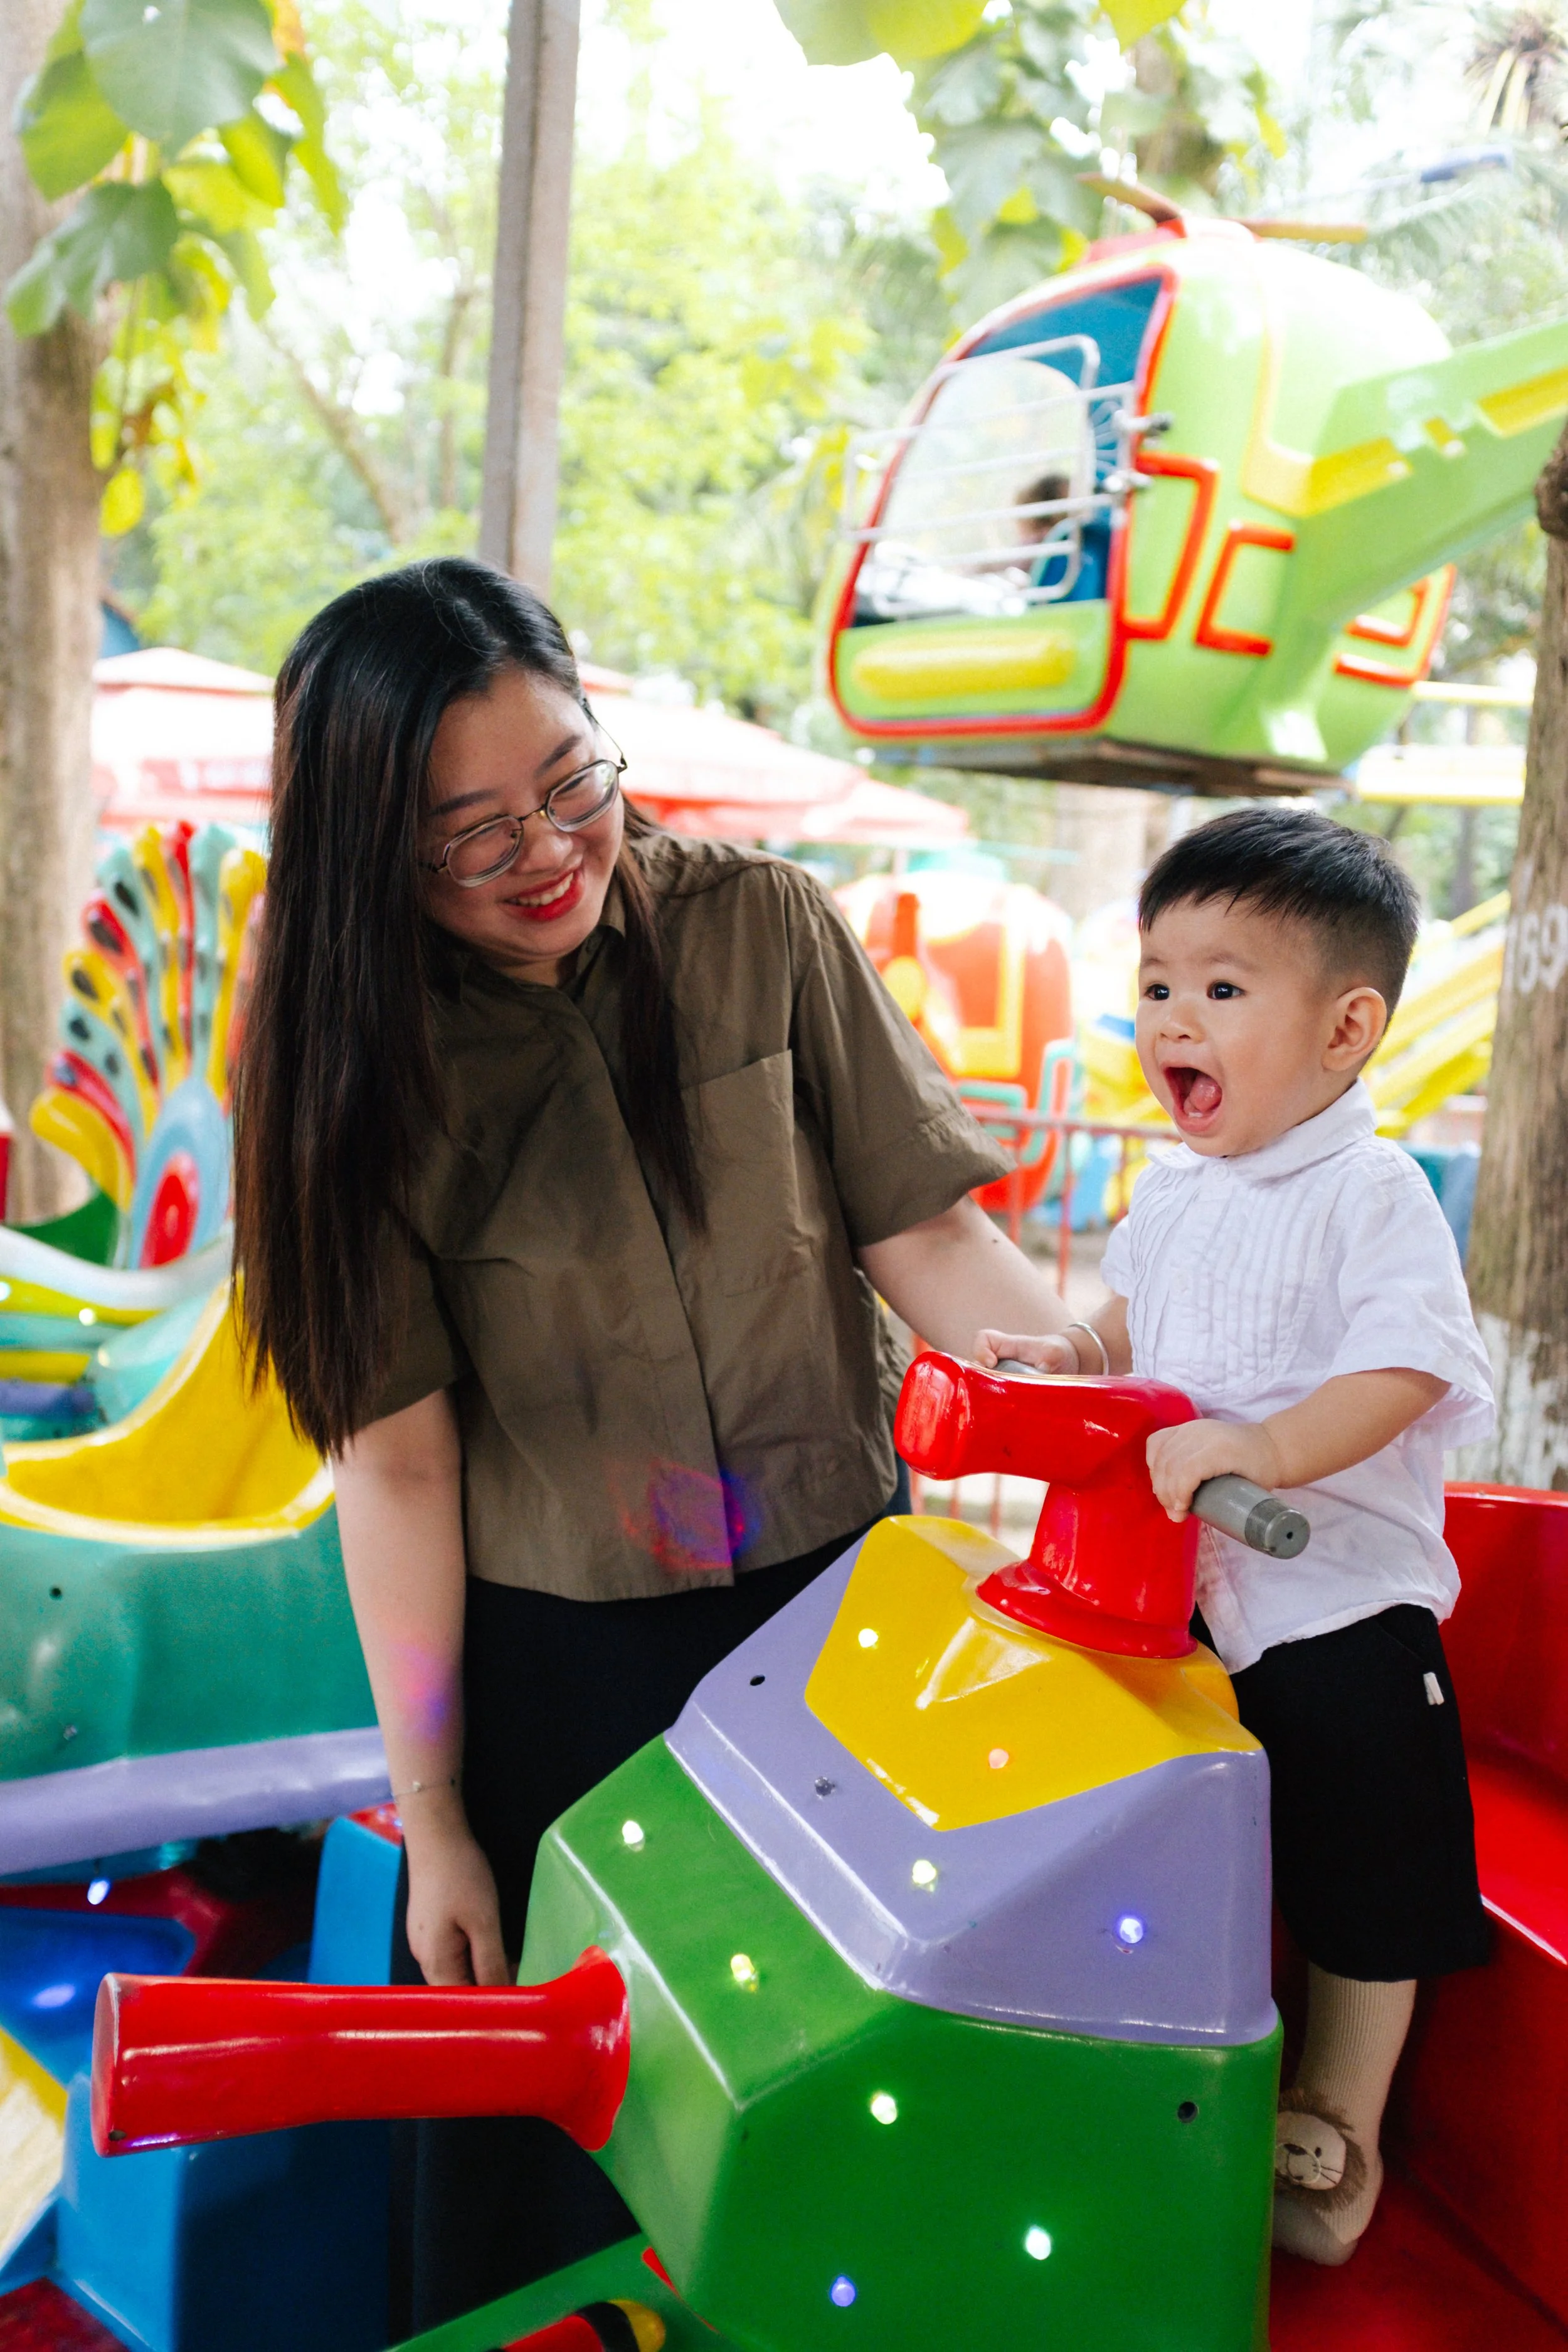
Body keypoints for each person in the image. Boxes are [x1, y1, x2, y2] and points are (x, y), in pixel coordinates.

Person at [233, 556, 1077, 2332]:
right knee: (568, 2150)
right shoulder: (348, 1067)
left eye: (570, 781)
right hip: (568, 1682)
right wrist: (444, 1809)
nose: (546, 850)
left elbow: (924, 1234)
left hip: (837, 1629)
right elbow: (394, 1467)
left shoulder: (763, 923)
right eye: (471, 832)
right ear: (370, 849)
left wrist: (1067, 1381)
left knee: (835, 2094)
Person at [978, 805, 1493, 2268]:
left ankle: (1341, 2109)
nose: (1169, 1018)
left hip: (1330, 1596)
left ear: (1344, 1029)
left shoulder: (1368, 1194)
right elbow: (1131, 1318)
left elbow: (1404, 1364)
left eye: (1219, 987)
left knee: (1361, 1815)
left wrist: (1267, 1448)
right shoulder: (1174, 1192)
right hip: (1178, 1590)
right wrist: (1071, 1356)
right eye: (1153, 983)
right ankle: (1125, 2053)